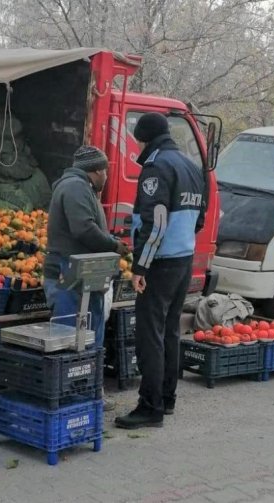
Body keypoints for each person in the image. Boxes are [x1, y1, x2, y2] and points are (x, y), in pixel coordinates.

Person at [115, 113, 205, 429]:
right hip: (184, 260)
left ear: (145, 138)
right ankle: (167, 400)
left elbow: (157, 222)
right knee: (169, 331)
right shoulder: (191, 166)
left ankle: (149, 407)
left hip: (160, 263)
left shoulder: (156, 167)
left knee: (149, 335)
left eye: (137, 138)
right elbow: (200, 219)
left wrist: (141, 266)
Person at [43, 144, 129, 349]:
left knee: (86, 333)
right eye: (105, 171)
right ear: (97, 170)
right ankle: (73, 378)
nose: (106, 177)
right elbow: (83, 228)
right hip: (69, 272)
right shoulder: (75, 187)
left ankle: (88, 376)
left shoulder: (82, 188)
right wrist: (114, 246)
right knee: (69, 337)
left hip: (83, 273)